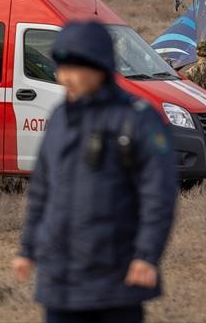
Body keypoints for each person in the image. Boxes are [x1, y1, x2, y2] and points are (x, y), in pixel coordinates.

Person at [13, 21, 177, 323]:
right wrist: (28, 249)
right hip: (59, 279)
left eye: (75, 69)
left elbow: (159, 194)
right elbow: (41, 190)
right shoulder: (60, 117)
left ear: (100, 66)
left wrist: (146, 255)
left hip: (116, 276)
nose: (65, 78)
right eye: (61, 69)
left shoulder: (137, 120)